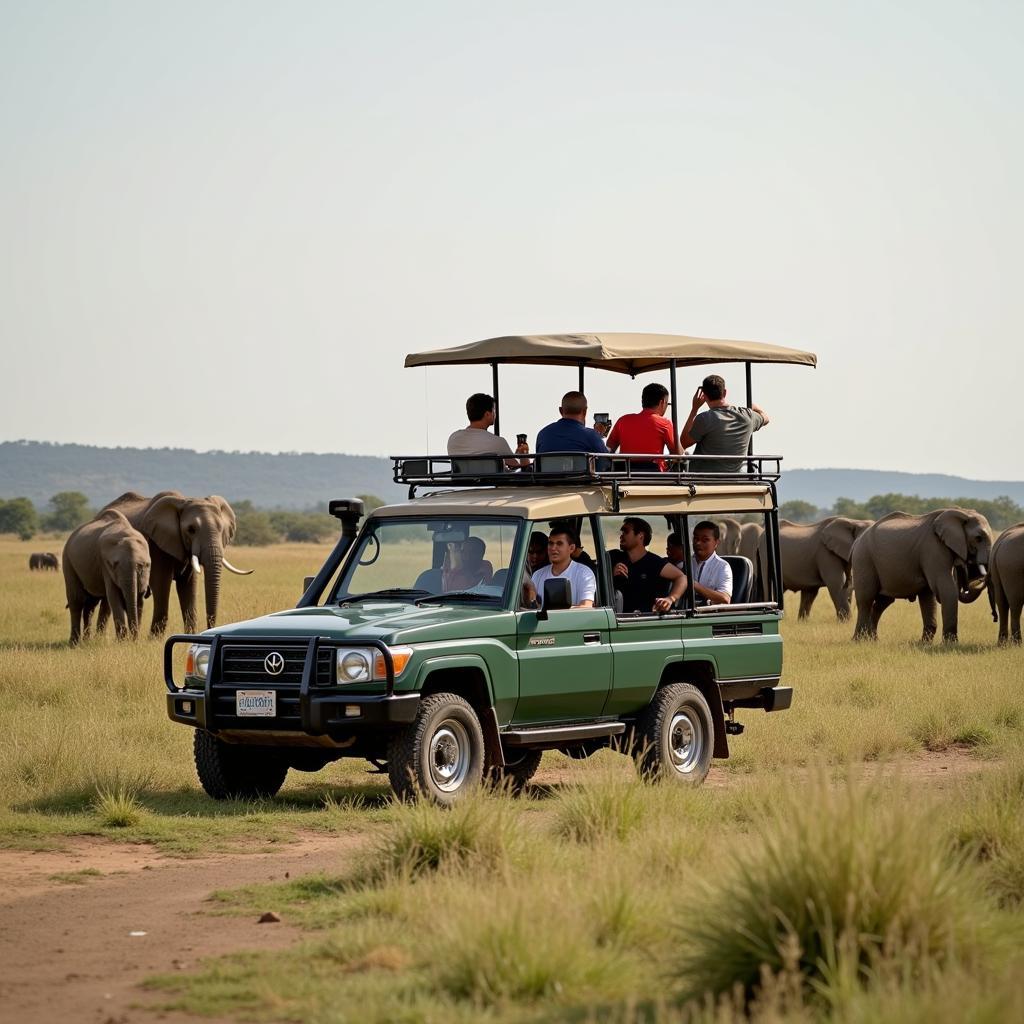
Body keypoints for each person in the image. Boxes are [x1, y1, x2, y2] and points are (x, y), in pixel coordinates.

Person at [679, 375, 769, 474]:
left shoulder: (704, 419)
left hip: (703, 480)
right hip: (733, 479)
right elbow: (766, 418)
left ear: (704, 396)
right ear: (725, 392)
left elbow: (683, 443)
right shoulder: (747, 416)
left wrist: (694, 409)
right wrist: (753, 407)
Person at [609, 517, 686, 613]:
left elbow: (682, 577)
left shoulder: (655, 562)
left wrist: (670, 599)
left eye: (626, 532)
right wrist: (610, 575)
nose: (621, 536)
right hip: (617, 618)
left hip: (646, 619)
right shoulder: (612, 557)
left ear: (640, 536)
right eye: (622, 532)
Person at [606, 383, 682, 472]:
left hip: (626, 474)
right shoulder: (665, 423)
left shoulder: (623, 421)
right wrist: (673, 429)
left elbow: (609, 449)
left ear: (643, 401)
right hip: (654, 476)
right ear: (662, 402)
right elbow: (678, 454)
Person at [447, 393, 529, 470]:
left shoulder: (453, 438)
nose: (495, 414)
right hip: (492, 483)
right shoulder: (498, 442)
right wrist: (523, 453)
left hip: (464, 483)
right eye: (494, 410)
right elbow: (518, 466)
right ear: (487, 414)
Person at [522, 525, 597, 609]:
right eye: (550, 543)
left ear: (571, 548)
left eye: (559, 544)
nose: (553, 548)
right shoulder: (537, 575)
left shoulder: (584, 573)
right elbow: (532, 607)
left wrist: (552, 609)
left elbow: (586, 607)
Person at [536, 392, 610, 458]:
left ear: (561, 411)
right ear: (585, 411)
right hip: (581, 474)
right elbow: (607, 463)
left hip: (549, 473)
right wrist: (598, 436)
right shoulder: (591, 436)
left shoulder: (543, 434)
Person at [690, 520, 733, 605]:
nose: (698, 543)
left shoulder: (723, 567)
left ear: (716, 543)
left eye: (705, 540)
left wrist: (693, 584)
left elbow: (725, 598)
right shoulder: (687, 563)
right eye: (696, 539)